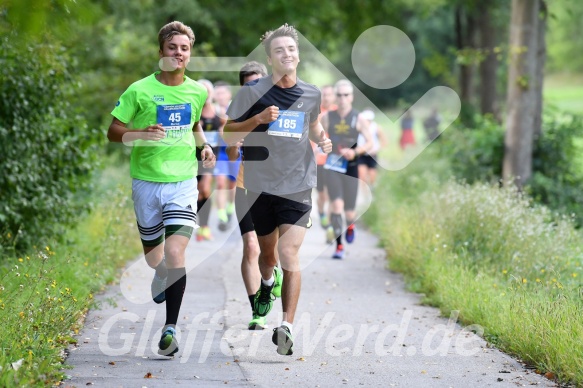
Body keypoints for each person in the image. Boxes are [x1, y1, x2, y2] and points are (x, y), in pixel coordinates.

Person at [107, 21, 215, 357]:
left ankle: (170, 328)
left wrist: (204, 147)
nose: (179, 53)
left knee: (176, 252)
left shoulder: (198, 91)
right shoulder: (138, 90)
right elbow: (113, 131)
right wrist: (140, 134)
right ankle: (160, 274)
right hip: (146, 182)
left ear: (189, 54)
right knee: (156, 258)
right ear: (161, 52)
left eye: (184, 48)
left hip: (183, 182)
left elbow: (195, 123)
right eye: (173, 48)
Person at [224, 24, 332, 356]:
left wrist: (322, 139)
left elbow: (312, 126)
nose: (287, 54)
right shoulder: (251, 93)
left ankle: (286, 325)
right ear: (270, 58)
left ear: (298, 55)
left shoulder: (311, 93)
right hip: (258, 187)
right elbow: (228, 133)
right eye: (280, 51)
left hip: (298, 185)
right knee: (267, 257)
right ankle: (267, 286)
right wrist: (256, 119)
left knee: (289, 253)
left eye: (291, 49)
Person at [226, 61, 283, 331]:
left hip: (274, 187)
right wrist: (236, 146)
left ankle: (273, 274)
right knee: (251, 246)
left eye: (257, 82)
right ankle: (256, 309)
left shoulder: (277, 110)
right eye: (248, 84)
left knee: (271, 250)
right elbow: (231, 154)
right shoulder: (239, 114)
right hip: (244, 186)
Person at [321, 79, 373, 259]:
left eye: (346, 95)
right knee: (336, 205)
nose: (342, 98)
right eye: (339, 95)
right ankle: (339, 246)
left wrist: (356, 152)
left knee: (349, 212)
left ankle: (351, 224)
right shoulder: (327, 117)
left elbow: (370, 142)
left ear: (351, 97)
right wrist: (323, 145)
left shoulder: (358, 118)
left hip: (351, 166)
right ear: (335, 97)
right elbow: (318, 137)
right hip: (332, 165)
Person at [195, 79, 225, 241]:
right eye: (202, 90)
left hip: (210, 157)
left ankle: (205, 227)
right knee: (196, 193)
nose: (205, 94)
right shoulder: (194, 110)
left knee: (205, 189)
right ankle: (200, 227)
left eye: (208, 90)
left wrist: (223, 133)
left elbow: (227, 132)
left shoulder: (219, 111)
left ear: (212, 94)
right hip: (192, 156)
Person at [315, 85, 337, 232]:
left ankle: (329, 224)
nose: (326, 97)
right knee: (322, 195)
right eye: (324, 95)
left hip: (334, 159)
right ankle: (322, 213)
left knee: (331, 193)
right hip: (319, 160)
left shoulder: (338, 112)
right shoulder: (315, 112)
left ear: (333, 96)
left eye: (329, 95)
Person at [357, 108, 387, 188]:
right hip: (361, 154)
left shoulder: (377, 128)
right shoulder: (359, 127)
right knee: (362, 175)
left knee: (372, 175)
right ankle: (364, 192)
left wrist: (376, 149)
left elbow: (384, 141)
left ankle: (372, 189)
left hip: (372, 154)